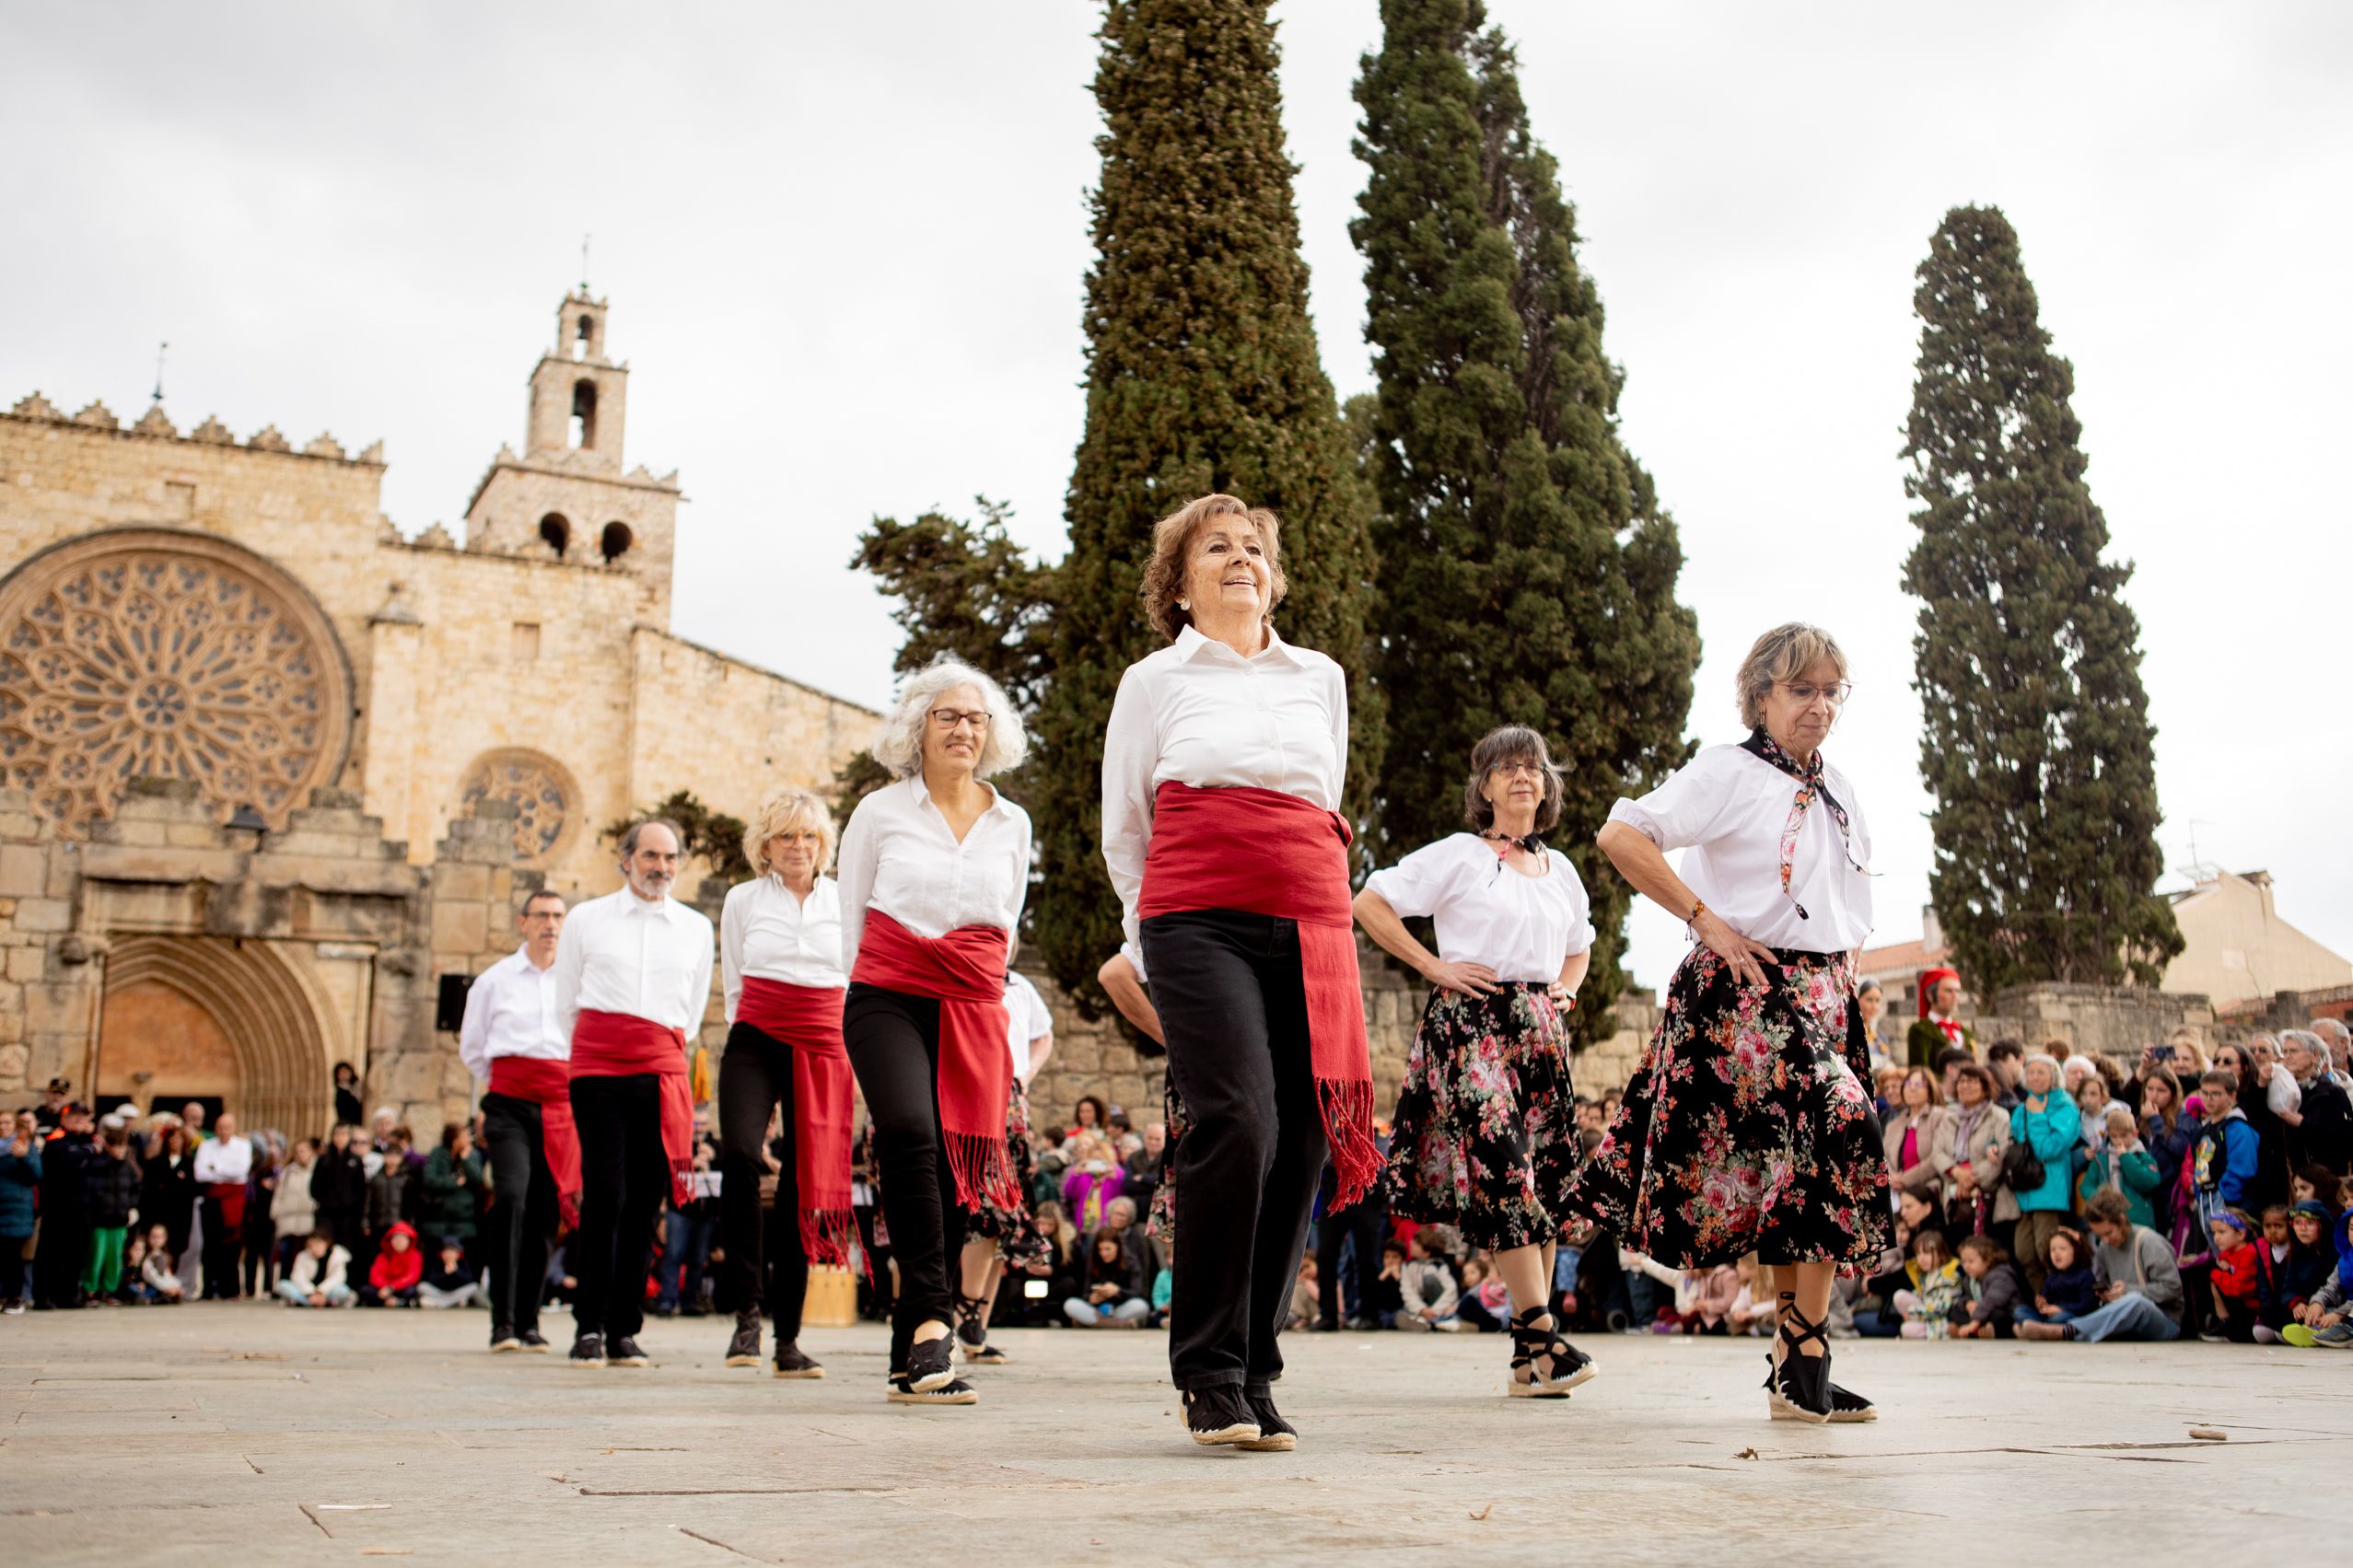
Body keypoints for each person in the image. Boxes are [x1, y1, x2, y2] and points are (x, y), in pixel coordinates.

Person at [1100, 494, 1381, 1451]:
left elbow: (1321, 798)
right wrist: (1149, 943)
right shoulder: (1152, 680)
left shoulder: (1319, 676)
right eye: (1214, 547)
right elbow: (1124, 827)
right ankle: (1207, 1368)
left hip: (1310, 920)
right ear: (1178, 584)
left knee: (1300, 1136)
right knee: (1239, 1118)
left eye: (1253, 546)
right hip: (1193, 917)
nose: (1238, 558)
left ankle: (1257, 1362)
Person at [1572, 623, 1887, 1424]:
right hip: (1746, 987)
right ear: (1760, 696)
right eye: (1800, 689)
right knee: (1839, 1125)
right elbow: (1619, 831)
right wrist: (1702, 917)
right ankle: (1806, 1347)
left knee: (1807, 1169)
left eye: (1829, 691)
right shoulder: (1726, 770)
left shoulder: (1840, 787)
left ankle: (1796, 1354)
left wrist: (1852, 984)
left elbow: (1840, 899)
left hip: (1825, 992)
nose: (1817, 706)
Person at [1352, 723, 1600, 1398]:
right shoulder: (1459, 855)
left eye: (1534, 768)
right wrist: (1432, 964)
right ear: (1484, 786)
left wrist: (1568, 988)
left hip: (1541, 1032)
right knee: (1507, 1172)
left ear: (1546, 787)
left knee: (1545, 1183)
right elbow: (1369, 901)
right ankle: (1544, 1339)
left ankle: (1529, 1358)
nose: (1523, 776)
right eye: (1507, 767)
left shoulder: (1561, 868)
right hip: (1471, 1028)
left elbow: (1580, 943)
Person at [839, 654, 1032, 1408]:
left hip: (973, 1002)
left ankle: (907, 1350)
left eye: (976, 718)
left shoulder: (1012, 820)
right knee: (912, 1134)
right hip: (886, 991)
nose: (963, 728)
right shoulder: (879, 812)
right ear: (917, 729)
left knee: (955, 1166)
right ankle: (930, 1319)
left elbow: (1006, 922)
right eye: (948, 715)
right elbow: (850, 919)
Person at [553, 817, 716, 1370]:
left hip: (661, 1069)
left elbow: (691, 1013)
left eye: (670, 858)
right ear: (626, 860)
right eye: (650, 856)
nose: (661, 868)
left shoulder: (696, 927)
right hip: (598, 1067)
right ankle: (588, 1326)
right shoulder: (586, 919)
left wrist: (652, 1047)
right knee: (604, 1194)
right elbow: (566, 998)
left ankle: (625, 1327)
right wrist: (606, 1047)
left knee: (646, 1200)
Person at [716, 790, 851, 1379]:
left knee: (802, 1181)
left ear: (824, 845)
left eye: (810, 836)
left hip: (824, 1042)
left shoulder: (847, 902)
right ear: (766, 847)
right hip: (757, 1035)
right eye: (787, 837)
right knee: (743, 1155)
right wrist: (751, 1030)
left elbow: (856, 976)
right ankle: (747, 1312)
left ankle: (788, 1339)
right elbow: (732, 982)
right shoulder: (743, 900)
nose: (799, 847)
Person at [460, 887, 576, 1355]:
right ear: (522, 922)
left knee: (546, 1212)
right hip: (508, 1103)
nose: (551, 925)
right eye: (542, 916)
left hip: (561, 1107)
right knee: (511, 1195)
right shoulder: (494, 980)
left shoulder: (578, 978)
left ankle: (528, 1320)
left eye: (558, 916)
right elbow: (473, 1047)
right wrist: (510, 1084)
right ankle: (501, 1321)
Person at [953, 953, 1056, 1366]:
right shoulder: (965, 974)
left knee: (1006, 1213)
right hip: (971, 1095)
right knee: (980, 1209)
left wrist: (1027, 1074)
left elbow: (1044, 1034)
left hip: (1010, 1101)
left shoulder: (1020, 986)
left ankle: (975, 1323)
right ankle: (965, 1311)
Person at [2006, 1056, 2079, 1296]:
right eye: (2031, 1072)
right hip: (2025, 1188)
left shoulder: (2065, 1107)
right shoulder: (2022, 1107)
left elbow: (2049, 1148)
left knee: (2046, 1250)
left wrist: (2037, 1118)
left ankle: (2059, 1298)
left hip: (2050, 1188)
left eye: (2041, 1072)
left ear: (2053, 1077)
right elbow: (2016, 1141)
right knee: (2024, 1252)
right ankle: (2042, 1298)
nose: (2035, 1077)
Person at [2190, 1069, 2260, 1237]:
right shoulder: (2204, 1128)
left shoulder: (2237, 1127)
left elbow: (2243, 1167)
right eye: (2204, 1093)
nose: (2208, 1098)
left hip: (2227, 1200)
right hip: (2205, 1197)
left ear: (2232, 1095)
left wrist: (2224, 1195)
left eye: (2216, 1094)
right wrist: (2199, 1193)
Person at [190, 1111, 252, 1299]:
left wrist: (215, 1168)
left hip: (233, 1201)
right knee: (209, 1244)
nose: (224, 1131)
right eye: (220, 1127)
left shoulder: (243, 1146)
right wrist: (225, 1171)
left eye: (227, 1127)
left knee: (232, 1244)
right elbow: (200, 1173)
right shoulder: (206, 1146)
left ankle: (230, 1288)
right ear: (215, 1129)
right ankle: (208, 1288)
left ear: (234, 1128)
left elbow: (241, 1171)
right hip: (212, 1200)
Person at [2278, 1030, 2352, 1174]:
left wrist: (2303, 1124)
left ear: (2315, 1056)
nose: (2287, 1056)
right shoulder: (2281, 1092)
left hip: (2324, 1177)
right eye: (2284, 1051)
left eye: (2293, 1051)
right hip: (2291, 1178)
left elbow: (2345, 1140)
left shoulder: (2332, 1093)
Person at [2076, 1104, 2161, 1227]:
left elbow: (2148, 1183)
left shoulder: (2143, 1156)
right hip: (2109, 1221)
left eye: (2124, 1136)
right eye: (2114, 1136)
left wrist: (2126, 1158)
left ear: (2135, 1133)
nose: (2118, 1141)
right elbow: (2086, 1186)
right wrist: (2103, 1200)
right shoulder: (2101, 1158)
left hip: (2137, 1222)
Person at [1881, 1067, 1950, 1207]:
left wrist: (1905, 1180)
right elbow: (1884, 1156)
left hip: (1926, 1189)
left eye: (1918, 1085)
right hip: (1895, 1189)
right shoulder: (1894, 1123)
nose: (1912, 1089)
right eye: (1908, 1084)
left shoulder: (1941, 1117)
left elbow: (1936, 1156)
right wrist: (1893, 1178)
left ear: (1929, 1089)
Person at [419, 1123, 485, 1268]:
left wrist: (466, 1160)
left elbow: (477, 1179)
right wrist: (454, 1183)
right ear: (455, 1140)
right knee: (435, 1260)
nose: (469, 1139)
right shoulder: (437, 1154)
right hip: (438, 1214)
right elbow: (429, 1179)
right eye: (465, 1136)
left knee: (462, 1260)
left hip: (464, 1216)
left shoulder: (472, 1154)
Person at [1065, 1231, 1150, 1327]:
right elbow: (1085, 1293)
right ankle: (1117, 1325)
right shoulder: (1094, 1262)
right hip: (1097, 1310)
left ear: (1118, 1247)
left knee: (1141, 1306)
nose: (1103, 1253)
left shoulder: (1131, 1262)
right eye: (1100, 1249)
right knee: (1070, 1304)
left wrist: (1118, 1291)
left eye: (1107, 1249)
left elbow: (1138, 1292)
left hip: (1119, 1309)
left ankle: (1095, 1324)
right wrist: (1091, 1298)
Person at [0, 1110, 40, 1314]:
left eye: (7, 1122)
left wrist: (24, 1157)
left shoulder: (25, 1147)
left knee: (13, 1257)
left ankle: (14, 1297)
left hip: (16, 1211)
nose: (3, 1126)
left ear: (15, 1125)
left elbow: (36, 1175)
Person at [1951, 1235, 2025, 1338]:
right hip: (1980, 1313)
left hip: (2001, 1312)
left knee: (1999, 1316)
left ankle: (1981, 1331)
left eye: (1971, 1261)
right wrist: (1967, 1303)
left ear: (1987, 1260)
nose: (1966, 1266)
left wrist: (1974, 1323)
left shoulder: (2001, 1275)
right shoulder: (1969, 1279)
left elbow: (1991, 1301)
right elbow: (1964, 1296)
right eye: (1963, 1262)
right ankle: (1978, 1331)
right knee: (1955, 1311)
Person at [270, 1137, 320, 1284]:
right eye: (297, 1151)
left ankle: (304, 1285)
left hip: (308, 1218)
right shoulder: (288, 1171)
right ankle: (283, 1285)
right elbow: (279, 1194)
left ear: (311, 1152)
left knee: (305, 1256)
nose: (300, 1154)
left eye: (304, 1151)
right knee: (285, 1254)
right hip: (288, 1219)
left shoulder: (317, 1169)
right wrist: (275, 1212)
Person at [1908, 968, 1974, 1069]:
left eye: (1957, 991)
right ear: (1930, 995)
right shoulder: (1920, 1030)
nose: (1955, 996)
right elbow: (1919, 1073)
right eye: (1948, 991)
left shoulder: (1964, 1032)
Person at [1398, 1228, 1462, 1330]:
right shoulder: (1407, 1266)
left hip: (1439, 1307)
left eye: (1416, 1243)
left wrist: (1435, 1311)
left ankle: (1435, 1320)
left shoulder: (1439, 1266)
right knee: (1402, 1310)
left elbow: (1451, 1289)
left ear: (1426, 1253)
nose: (1411, 1243)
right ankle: (1424, 1321)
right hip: (1420, 1307)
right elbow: (1407, 1291)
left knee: (1429, 1280)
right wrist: (1421, 1309)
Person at [277, 1229, 356, 1308]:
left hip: (327, 1292)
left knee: (342, 1290)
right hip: (306, 1293)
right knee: (282, 1285)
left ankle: (305, 1302)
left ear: (327, 1243)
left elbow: (338, 1278)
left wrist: (321, 1291)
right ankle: (322, 1303)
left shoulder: (337, 1255)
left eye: (318, 1244)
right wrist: (311, 1293)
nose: (314, 1248)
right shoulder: (303, 1256)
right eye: (311, 1245)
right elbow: (298, 1277)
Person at [364, 1221, 424, 1307]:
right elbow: (374, 1275)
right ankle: (388, 1302)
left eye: (402, 1238)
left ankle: (398, 1302)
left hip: (400, 1288)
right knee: (366, 1290)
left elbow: (412, 1276)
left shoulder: (415, 1255)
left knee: (411, 1291)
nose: (399, 1241)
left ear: (409, 1240)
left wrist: (392, 1288)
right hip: (383, 1290)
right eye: (396, 1238)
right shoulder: (382, 1256)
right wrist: (385, 1288)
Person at [419, 1237, 483, 1309]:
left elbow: (470, 1280)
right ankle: (452, 1302)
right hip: (440, 1293)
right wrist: (445, 1273)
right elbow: (430, 1280)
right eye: (446, 1252)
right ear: (442, 1254)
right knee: (422, 1286)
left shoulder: (463, 1263)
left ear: (458, 1254)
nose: (449, 1254)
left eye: (452, 1252)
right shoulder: (437, 1263)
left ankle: (443, 1303)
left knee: (474, 1287)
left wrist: (456, 1271)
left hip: (457, 1293)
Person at [1856, 979, 1895, 1073]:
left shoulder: (1881, 1038)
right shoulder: (1848, 1036)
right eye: (1869, 1000)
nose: (1874, 1006)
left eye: (1877, 1001)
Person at [140, 1224, 184, 1305]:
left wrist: (175, 1286)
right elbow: (151, 1277)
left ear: (165, 1238)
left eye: (159, 1237)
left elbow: (167, 1275)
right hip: (150, 1285)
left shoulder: (164, 1255)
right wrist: (167, 1288)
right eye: (153, 1236)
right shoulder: (147, 1256)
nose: (156, 1240)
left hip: (160, 1284)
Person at [332, 1062, 365, 1131]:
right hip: (350, 1124)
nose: (345, 1074)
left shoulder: (358, 1087)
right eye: (341, 1072)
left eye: (346, 1071)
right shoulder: (341, 1092)